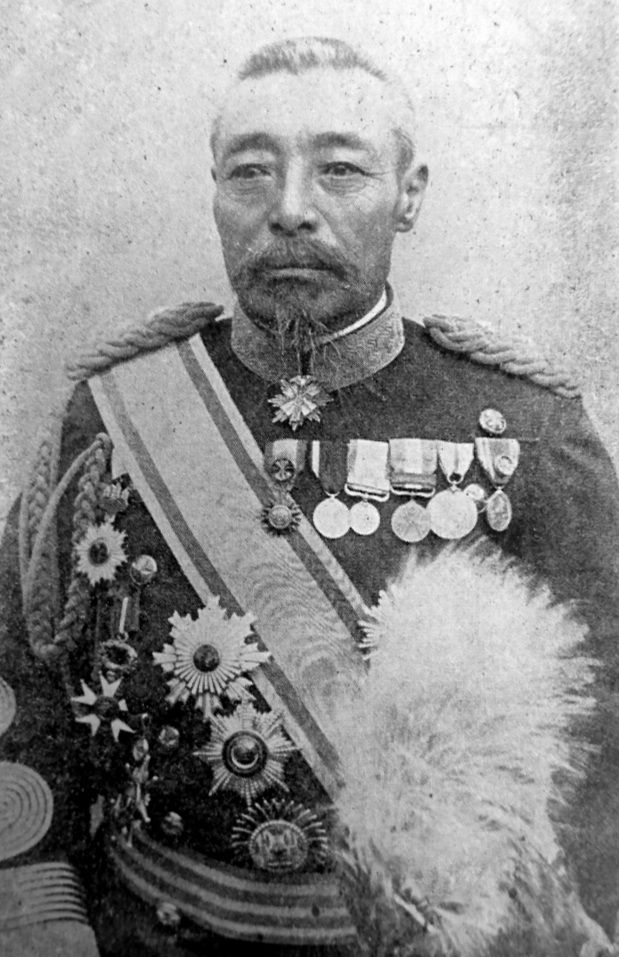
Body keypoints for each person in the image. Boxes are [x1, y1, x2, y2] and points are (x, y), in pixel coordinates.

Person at [1, 35, 619, 957]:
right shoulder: (112, 414)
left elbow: (607, 743)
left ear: (408, 194)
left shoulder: (524, 428)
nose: (290, 209)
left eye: (339, 169)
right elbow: (21, 687)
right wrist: (38, 913)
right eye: (250, 171)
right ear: (214, 191)